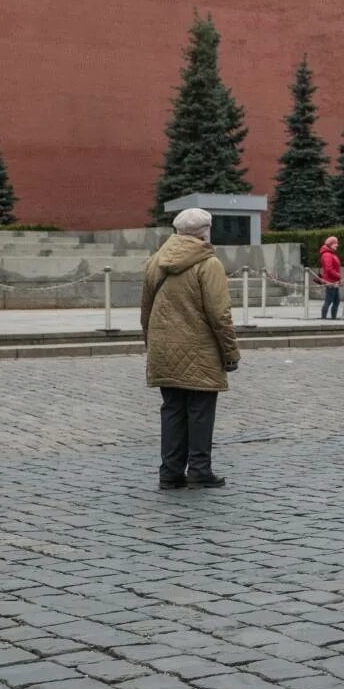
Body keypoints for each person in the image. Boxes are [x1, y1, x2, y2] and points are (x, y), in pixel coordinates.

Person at [142, 208, 240, 490]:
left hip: (164, 348)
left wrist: (153, 345)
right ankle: (199, 469)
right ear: (205, 231)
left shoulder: (154, 262)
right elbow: (220, 315)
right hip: (201, 349)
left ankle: (170, 472)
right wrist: (230, 353)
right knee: (200, 410)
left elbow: (146, 310)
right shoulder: (209, 264)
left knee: (172, 408)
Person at [319, 236, 343, 319]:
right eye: (335, 243)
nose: (337, 245)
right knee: (329, 301)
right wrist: (338, 275)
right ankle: (324, 318)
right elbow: (329, 269)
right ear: (330, 244)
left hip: (334, 281)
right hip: (330, 282)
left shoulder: (330, 254)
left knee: (336, 301)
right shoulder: (327, 255)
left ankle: (333, 318)